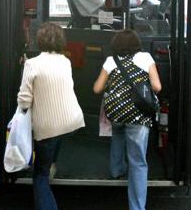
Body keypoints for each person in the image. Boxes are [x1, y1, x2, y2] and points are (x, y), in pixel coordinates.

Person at [17, 22, 85, 210]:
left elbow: (24, 100)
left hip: (48, 128)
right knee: (56, 138)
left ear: (39, 40)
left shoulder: (32, 64)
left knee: (39, 176)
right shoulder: (65, 61)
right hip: (71, 121)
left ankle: (47, 170)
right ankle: (52, 163)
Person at [93, 29, 162, 210]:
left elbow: (97, 89)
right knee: (138, 161)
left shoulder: (110, 60)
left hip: (116, 112)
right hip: (138, 115)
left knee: (118, 132)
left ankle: (116, 170)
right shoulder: (146, 58)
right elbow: (157, 86)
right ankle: (137, 207)